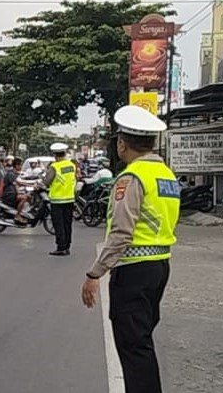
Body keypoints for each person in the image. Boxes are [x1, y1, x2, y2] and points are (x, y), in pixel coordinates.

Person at [82, 105, 180, 393]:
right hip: (159, 266)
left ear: (122, 144)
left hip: (134, 271)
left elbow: (122, 232)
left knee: (133, 346)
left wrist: (94, 273)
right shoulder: (166, 175)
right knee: (141, 342)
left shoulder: (131, 178)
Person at [43, 142, 77, 256]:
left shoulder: (55, 166)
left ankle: (61, 247)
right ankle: (67, 246)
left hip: (57, 200)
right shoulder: (71, 165)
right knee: (67, 224)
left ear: (55, 155)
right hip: (70, 198)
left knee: (59, 224)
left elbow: (47, 182)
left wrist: (44, 180)